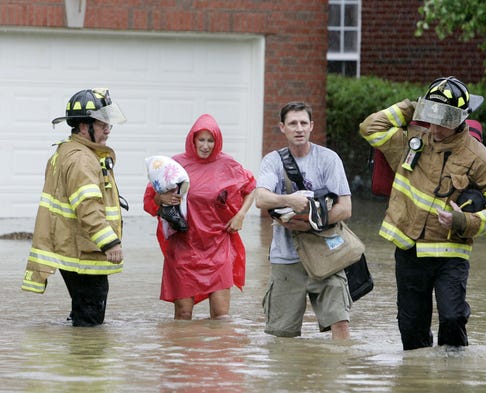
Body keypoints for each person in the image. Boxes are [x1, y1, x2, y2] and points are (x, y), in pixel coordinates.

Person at [359, 76, 486, 350]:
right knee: (411, 330)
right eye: (433, 115)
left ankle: (452, 380)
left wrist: (463, 220)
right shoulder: (411, 140)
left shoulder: (480, 158)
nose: (437, 126)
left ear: (462, 118)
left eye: (446, 118)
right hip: (409, 249)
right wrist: (414, 107)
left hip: (450, 254)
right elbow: (371, 127)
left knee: (452, 319)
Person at [21, 88, 127, 327]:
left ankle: (75, 356)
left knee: (83, 316)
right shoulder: (81, 158)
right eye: (101, 123)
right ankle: (84, 361)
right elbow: (87, 206)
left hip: (76, 247)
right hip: (83, 252)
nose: (108, 128)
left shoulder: (70, 151)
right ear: (82, 126)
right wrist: (110, 242)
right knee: (90, 323)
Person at [143, 114, 256, 320]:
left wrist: (241, 215)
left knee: (221, 317)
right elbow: (150, 200)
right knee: (183, 316)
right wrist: (162, 198)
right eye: (201, 140)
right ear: (192, 140)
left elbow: (251, 187)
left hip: (217, 244)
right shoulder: (174, 165)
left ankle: (219, 352)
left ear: (217, 141)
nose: (205, 146)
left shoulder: (228, 165)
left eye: (210, 140)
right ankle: (182, 352)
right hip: (184, 247)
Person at [255, 101, 352, 340]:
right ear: (282, 128)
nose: (298, 128)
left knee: (340, 324)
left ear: (311, 126)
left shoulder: (329, 159)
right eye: (292, 123)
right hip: (285, 258)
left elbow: (346, 208)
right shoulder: (272, 161)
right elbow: (260, 199)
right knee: (282, 337)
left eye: (303, 123)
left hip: (326, 255)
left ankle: (337, 373)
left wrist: (311, 221)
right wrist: (289, 200)